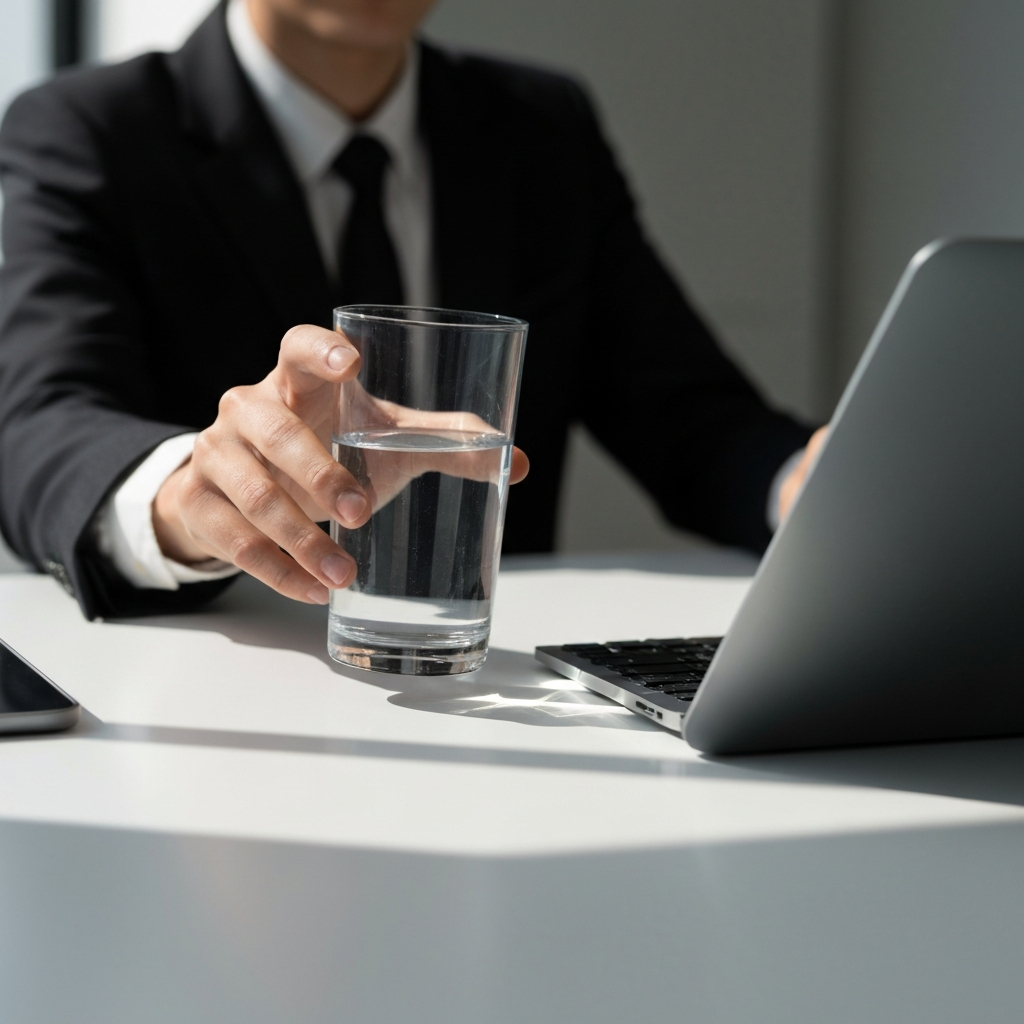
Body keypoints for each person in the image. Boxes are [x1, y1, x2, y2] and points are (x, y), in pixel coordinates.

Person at [0, 0, 819, 622]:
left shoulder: (538, 129)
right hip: (216, 696)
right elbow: (38, 424)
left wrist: (814, 488)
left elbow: (686, 417)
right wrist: (187, 496)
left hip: (493, 687)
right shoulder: (92, 130)